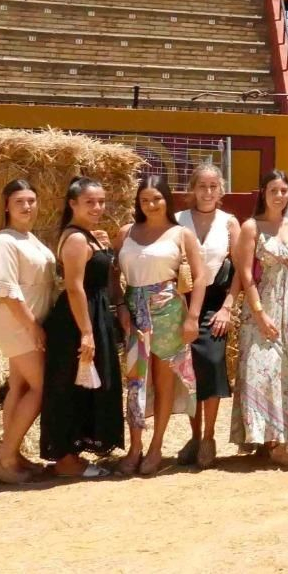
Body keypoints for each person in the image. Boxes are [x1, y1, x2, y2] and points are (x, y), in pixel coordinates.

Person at [119, 175, 209, 475]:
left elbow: (200, 277)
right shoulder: (126, 232)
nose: (151, 205)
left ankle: (156, 447)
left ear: (166, 199)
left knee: (163, 381)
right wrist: (120, 305)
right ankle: (135, 447)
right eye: (144, 200)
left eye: (156, 198)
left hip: (168, 312)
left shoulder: (181, 234)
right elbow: (111, 273)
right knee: (135, 382)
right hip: (135, 312)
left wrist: (193, 317)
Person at [40, 176, 122, 479]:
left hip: (93, 314)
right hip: (78, 320)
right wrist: (87, 333)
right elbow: (74, 288)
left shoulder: (88, 235)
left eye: (101, 201)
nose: (97, 207)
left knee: (87, 386)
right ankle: (65, 460)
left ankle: (74, 455)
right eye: (90, 202)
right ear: (73, 203)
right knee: (69, 387)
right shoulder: (75, 239)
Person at [232, 170, 288, 469]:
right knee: (261, 371)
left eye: (283, 191)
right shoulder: (251, 227)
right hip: (262, 307)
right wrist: (259, 313)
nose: (279, 196)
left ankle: (278, 442)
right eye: (273, 190)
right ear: (263, 193)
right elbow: (245, 273)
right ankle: (269, 439)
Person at [0, 179, 54, 484]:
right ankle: (6, 455)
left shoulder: (29, 238)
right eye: (19, 202)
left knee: (20, 388)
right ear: (7, 206)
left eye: (31, 201)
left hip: (26, 322)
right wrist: (32, 326)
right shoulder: (4, 242)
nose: (26, 206)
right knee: (42, 387)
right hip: (17, 324)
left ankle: (11, 455)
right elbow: (6, 290)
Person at [175, 163, 240, 468]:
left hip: (214, 302)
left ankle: (209, 437)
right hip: (182, 301)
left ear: (221, 190)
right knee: (190, 371)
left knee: (212, 363)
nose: (208, 192)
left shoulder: (229, 223)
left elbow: (240, 269)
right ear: (192, 188)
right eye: (202, 185)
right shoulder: (178, 221)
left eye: (213, 186)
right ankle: (194, 435)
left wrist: (227, 307)